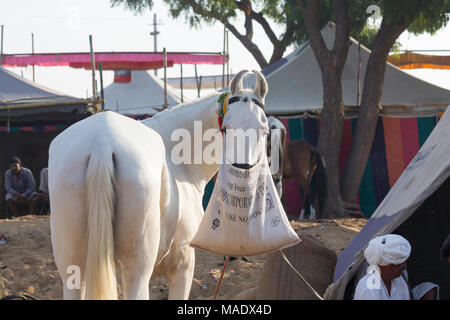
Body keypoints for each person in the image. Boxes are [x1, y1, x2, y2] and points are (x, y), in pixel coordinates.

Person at [354, 234, 439, 300]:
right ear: (390, 267)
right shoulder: (369, 288)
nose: (405, 266)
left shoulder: (398, 278)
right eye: (401, 263)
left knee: (429, 288)